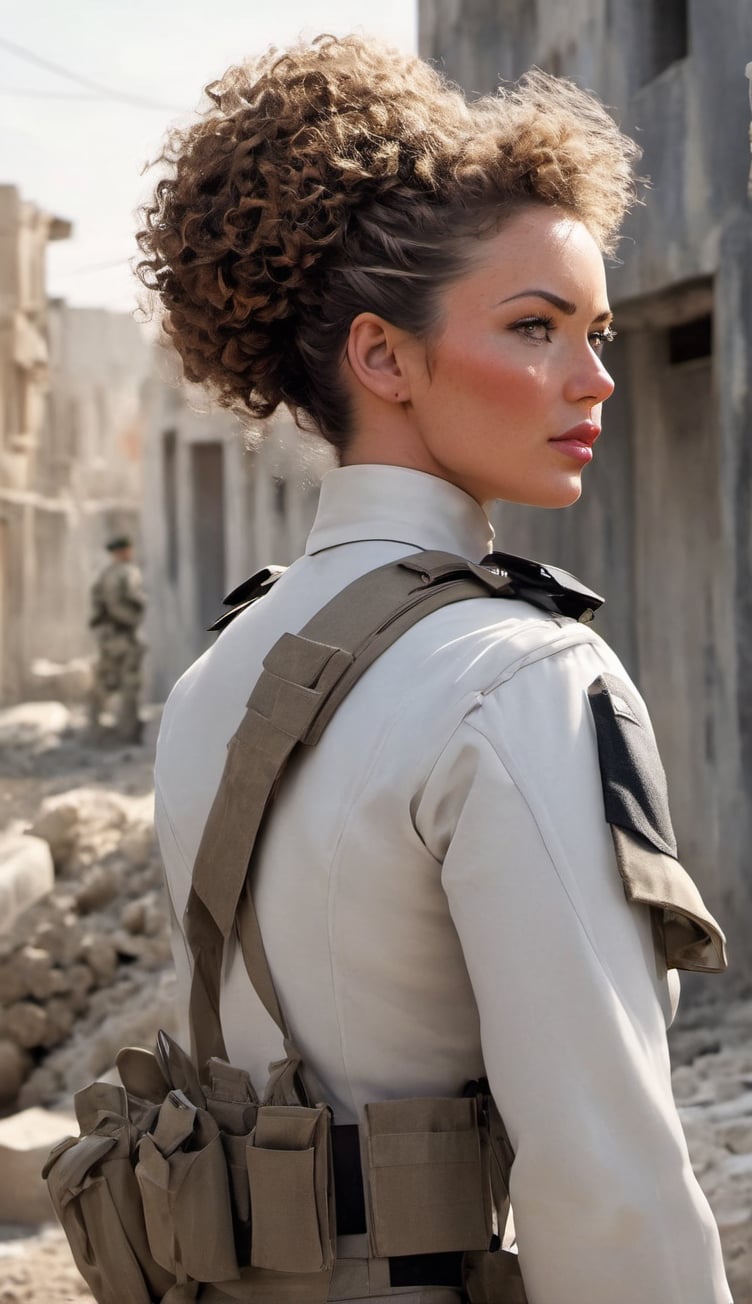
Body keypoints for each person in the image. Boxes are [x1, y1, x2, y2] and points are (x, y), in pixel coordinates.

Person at [140, 36, 731, 1304]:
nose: (595, 378)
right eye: (535, 327)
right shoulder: (515, 677)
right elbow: (604, 1181)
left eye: (598, 329)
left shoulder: (217, 671)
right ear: (382, 358)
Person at [88, 534, 145, 743]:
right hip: (122, 635)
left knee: (105, 682)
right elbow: (120, 605)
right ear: (123, 551)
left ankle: (96, 729)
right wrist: (131, 621)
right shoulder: (125, 572)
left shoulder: (106, 574)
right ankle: (126, 732)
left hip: (109, 636)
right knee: (129, 682)